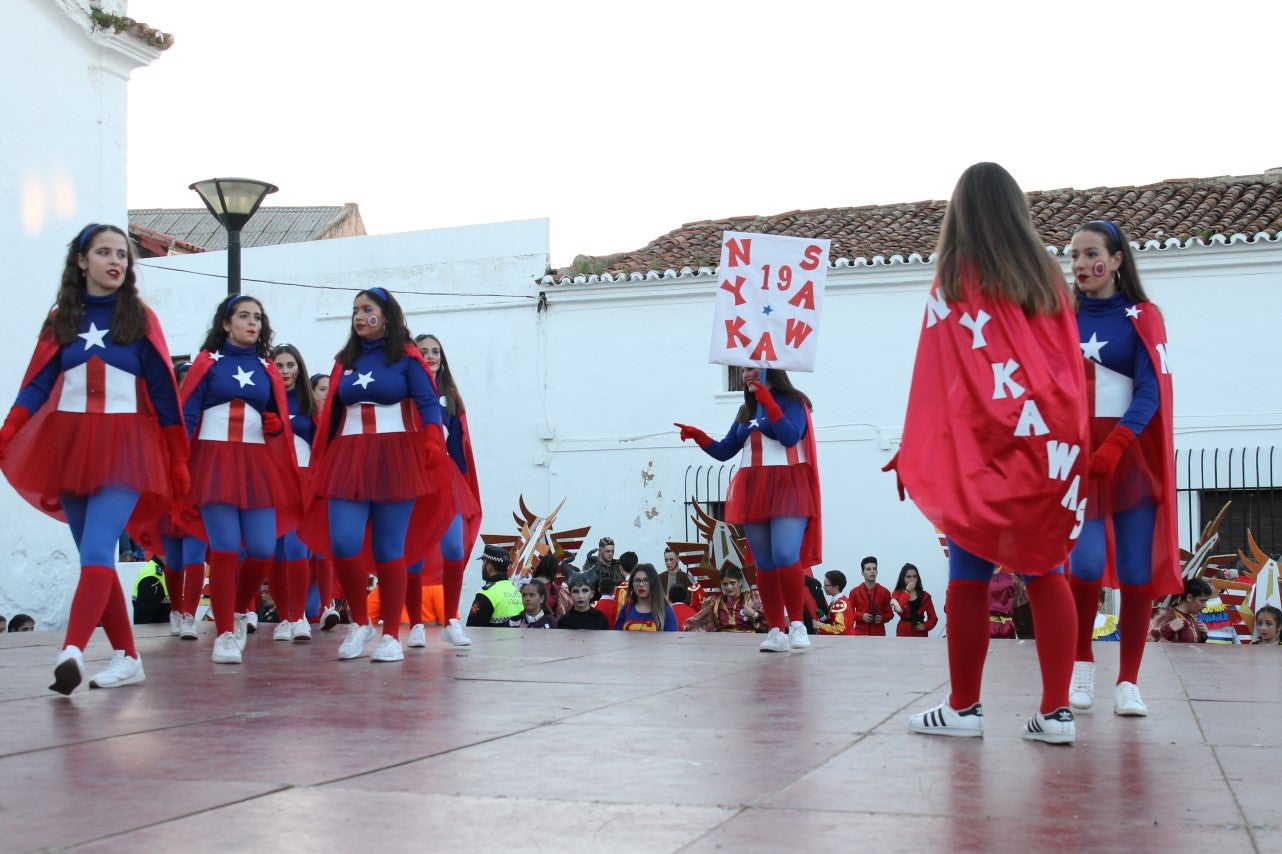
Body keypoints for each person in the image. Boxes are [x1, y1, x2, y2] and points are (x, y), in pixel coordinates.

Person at [888, 163, 1089, 744]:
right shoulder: (1047, 276)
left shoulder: (952, 281)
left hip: (981, 454)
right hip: (1043, 443)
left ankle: (964, 708)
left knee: (968, 570)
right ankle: (1056, 714)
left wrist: (913, 452)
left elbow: (936, 383)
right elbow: (1065, 368)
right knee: (1046, 567)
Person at [0, 223, 188, 694]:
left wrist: (179, 458)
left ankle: (72, 651)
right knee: (93, 556)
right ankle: (128, 656)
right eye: (104, 252)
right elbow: (38, 383)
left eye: (122, 255)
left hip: (126, 447)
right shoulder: (62, 316)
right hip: (71, 445)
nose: (116, 262)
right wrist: (9, 429)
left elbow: (165, 393)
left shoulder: (141, 319)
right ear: (82, 261)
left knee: (100, 549)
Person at [1065, 219, 1181, 717]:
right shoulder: (1059, 316)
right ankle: (1080, 663)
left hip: (1127, 456)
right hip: (1076, 458)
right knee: (1085, 565)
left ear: (1115, 260)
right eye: (1072, 256)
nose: (1079, 265)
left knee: (1136, 573)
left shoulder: (1143, 316)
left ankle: (1128, 680)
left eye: (1089, 254)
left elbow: (1152, 389)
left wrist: (1116, 443)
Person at [303, 288, 454, 662]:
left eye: (366, 309)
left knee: (390, 549)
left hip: (396, 458)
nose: (358, 315)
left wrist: (434, 437)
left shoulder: (406, 357)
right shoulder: (345, 359)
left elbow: (426, 402)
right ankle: (360, 622)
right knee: (343, 543)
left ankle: (390, 634)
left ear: (385, 316)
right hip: (349, 457)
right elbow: (333, 414)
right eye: (354, 309)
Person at [181, 294, 301, 665]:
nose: (253, 323)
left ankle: (234, 610)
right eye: (244, 316)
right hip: (213, 462)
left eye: (258, 318)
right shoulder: (206, 363)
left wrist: (277, 424)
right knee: (225, 548)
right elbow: (186, 415)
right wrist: (179, 462)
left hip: (255, 465)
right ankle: (224, 636)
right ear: (225, 323)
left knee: (263, 549)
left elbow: (276, 417)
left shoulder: (267, 370)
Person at [676, 365, 821, 652]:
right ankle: (776, 631)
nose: (746, 373)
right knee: (763, 562)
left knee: (784, 553)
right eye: (743, 369)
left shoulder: (794, 402)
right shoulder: (746, 410)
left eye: (753, 368)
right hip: (753, 486)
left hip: (788, 483)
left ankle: (797, 625)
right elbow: (725, 450)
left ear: (771, 370)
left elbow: (790, 436)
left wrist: (767, 400)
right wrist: (698, 436)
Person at [410, 333, 481, 648]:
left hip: (448, 480)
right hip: (415, 479)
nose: (430, 356)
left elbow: (457, 445)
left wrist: (464, 484)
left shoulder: (451, 395)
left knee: (454, 548)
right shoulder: (407, 393)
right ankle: (415, 625)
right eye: (423, 351)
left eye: (435, 351)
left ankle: (451, 619)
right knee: (414, 553)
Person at [268, 343, 318, 643]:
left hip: (301, 482)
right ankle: (284, 617)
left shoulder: (309, 406)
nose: (285, 371)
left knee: (297, 549)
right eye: (279, 365)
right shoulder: (263, 400)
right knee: (274, 554)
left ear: (298, 369)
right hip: (270, 483)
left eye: (290, 365)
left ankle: (299, 617)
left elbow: (320, 449)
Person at [308, 371, 340, 631]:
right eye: (322, 390)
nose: (327, 395)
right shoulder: (311, 417)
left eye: (331, 390)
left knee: (323, 550)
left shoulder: (337, 418)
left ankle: (327, 604)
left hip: (327, 490)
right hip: (305, 488)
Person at [682, 566, 766, 633]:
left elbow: (769, 625)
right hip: (723, 645)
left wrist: (754, 614)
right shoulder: (714, 604)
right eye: (725, 584)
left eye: (732, 583)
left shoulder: (751, 600)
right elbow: (696, 624)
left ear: (740, 582)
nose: (729, 587)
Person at [465, 545, 523, 627]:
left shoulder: (486, 594)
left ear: (489, 567)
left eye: (483, 563)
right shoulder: (517, 590)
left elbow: (472, 628)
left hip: (492, 639)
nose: (482, 566)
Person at [615, 563, 678, 631]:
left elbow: (671, 639)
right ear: (632, 584)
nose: (641, 584)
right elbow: (617, 636)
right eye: (637, 580)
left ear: (654, 583)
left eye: (646, 580)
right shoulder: (626, 608)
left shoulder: (665, 611)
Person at [1147, 577, 1211, 643]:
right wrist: (1169, 631)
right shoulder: (1166, 616)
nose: (1205, 606)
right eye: (1202, 601)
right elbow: (1151, 644)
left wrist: (1203, 635)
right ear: (1189, 598)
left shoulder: (1192, 618)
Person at [891, 563, 938, 637]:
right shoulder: (896, 594)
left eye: (914, 576)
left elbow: (933, 617)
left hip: (920, 634)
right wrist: (907, 591)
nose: (912, 579)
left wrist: (925, 626)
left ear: (918, 578)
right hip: (903, 633)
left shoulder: (925, 596)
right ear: (903, 578)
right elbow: (898, 608)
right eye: (908, 577)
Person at [849, 556, 893, 636]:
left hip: (879, 636)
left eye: (874, 569)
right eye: (868, 569)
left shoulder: (885, 592)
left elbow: (890, 614)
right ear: (862, 573)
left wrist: (882, 618)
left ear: (877, 572)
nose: (872, 571)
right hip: (860, 636)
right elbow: (849, 613)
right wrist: (862, 616)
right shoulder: (854, 592)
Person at [815, 570, 855, 635]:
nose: (824, 587)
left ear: (836, 587)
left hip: (844, 642)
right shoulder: (840, 600)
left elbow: (840, 629)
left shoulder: (839, 604)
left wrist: (819, 626)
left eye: (826, 585)